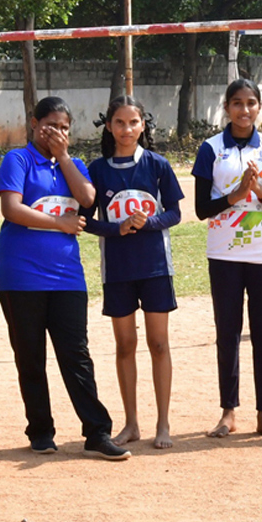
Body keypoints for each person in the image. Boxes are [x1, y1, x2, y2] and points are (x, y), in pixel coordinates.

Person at [0, 96, 129, 460]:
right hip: (20, 275)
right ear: (34, 123)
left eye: (64, 128)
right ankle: (40, 431)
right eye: (50, 125)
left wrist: (64, 156)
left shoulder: (75, 164)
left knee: (76, 355)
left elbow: (87, 198)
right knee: (30, 356)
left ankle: (97, 432)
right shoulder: (18, 159)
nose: (57, 132)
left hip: (66, 276)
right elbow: (11, 209)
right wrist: (59, 223)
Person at [192, 78, 262, 439]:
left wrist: (259, 190)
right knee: (228, 333)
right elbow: (201, 209)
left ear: (259, 108)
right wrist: (235, 195)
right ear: (226, 107)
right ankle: (228, 412)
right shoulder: (210, 149)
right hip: (224, 254)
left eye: (251, 103)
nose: (244, 110)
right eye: (237, 103)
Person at [85, 96, 183, 450]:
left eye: (133, 122)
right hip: (118, 270)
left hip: (155, 267)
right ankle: (131, 423)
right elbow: (86, 221)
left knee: (158, 344)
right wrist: (117, 228)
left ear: (144, 125)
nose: (127, 129)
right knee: (125, 345)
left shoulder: (157, 164)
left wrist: (149, 222)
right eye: (119, 122)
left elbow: (175, 213)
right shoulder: (97, 169)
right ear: (109, 126)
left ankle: (163, 423)